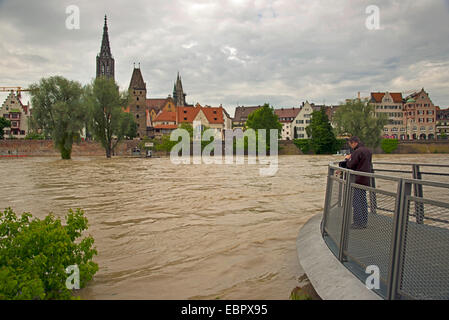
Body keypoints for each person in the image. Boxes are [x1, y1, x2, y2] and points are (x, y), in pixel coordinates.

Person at [344, 136, 373, 229]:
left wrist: (347, 159)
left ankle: (358, 223)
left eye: (350, 144)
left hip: (357, 179)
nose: (350, 146)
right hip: (365, 178)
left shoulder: (357, 152)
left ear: (354, 143)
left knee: (356, 201)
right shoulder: (367, 150)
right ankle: (364, 221)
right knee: (363, 200)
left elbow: (351, 165)